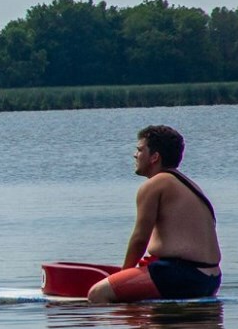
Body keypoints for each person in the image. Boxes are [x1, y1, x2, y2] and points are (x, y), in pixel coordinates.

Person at [85, 124, 222, 303]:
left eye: (140, 149)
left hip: (182, 274)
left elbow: (140, 239)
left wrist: (122, 277)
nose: (135, 155)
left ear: (154, 157)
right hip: (211, 278)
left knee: (98, 293)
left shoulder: (155, 184)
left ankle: (129, 322)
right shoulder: (189, 184)